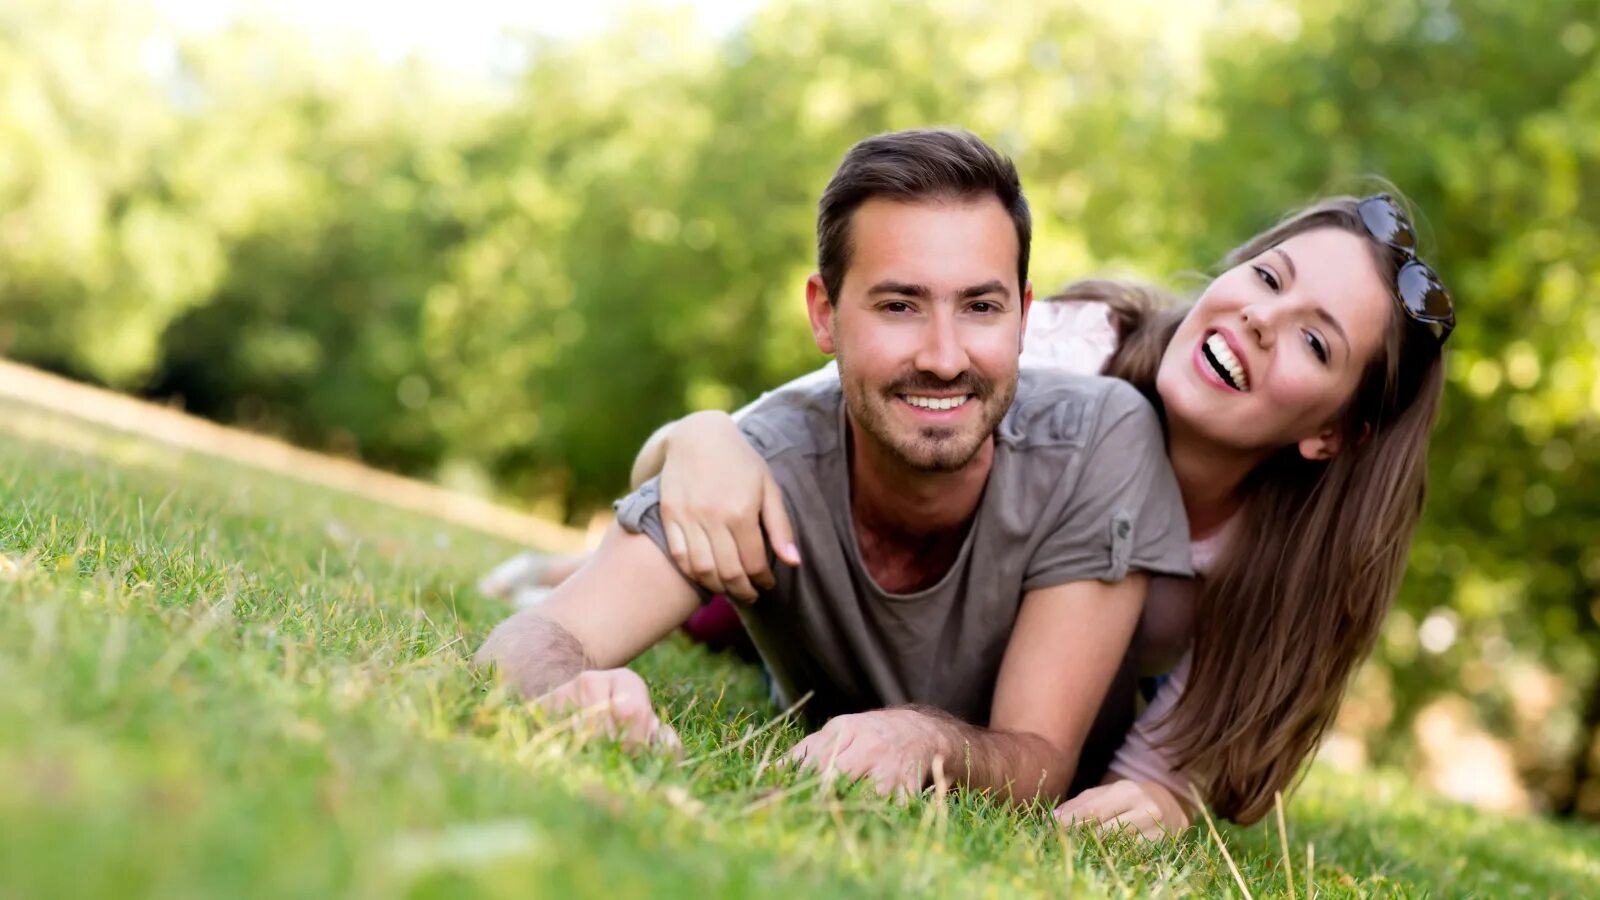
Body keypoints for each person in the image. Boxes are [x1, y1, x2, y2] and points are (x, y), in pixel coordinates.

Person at [615, 190, 1454, 834]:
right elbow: (767, 444)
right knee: (728, 598)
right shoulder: (1060, 349)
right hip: (885, 606)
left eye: (1316, 341)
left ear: (1336, 431)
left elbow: (1177, 754)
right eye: (1269, 278)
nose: (1263, 319)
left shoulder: (1277, 559)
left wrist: (1160, 797)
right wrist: (693, 437)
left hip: (1036, 710)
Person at [474, 127, 1193, 802]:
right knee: (718, 604)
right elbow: (533, 641)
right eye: (899, 305)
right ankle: (567, 565)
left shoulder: (1101, 436)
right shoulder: (761, 459)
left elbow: (1040, 755)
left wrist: (922, 743)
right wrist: (567, 690)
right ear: (824, 314)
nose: (944, 358)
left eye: (980, 306)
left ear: (1024, 316)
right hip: (788, 583)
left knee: (720, 620)